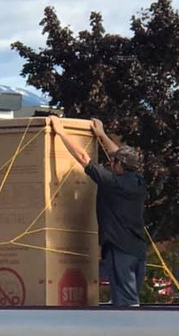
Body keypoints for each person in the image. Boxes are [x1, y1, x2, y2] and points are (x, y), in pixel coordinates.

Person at [50, 115, 147, 306]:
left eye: (114, 162)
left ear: (121, 166)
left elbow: (83, 157)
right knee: (130, 296)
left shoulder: (113, 183)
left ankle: (127, 331)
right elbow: (119, 155)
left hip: (120, 249)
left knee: (126, 301)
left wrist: (60, 131)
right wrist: (101, 134)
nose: (110, 164)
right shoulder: (138, 181)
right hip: (137, 249)